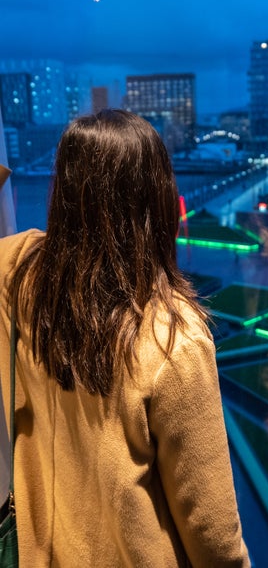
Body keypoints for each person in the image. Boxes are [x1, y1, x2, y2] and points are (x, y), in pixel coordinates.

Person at [0, 110, 250, 566]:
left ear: (65, 192)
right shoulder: (174, 339)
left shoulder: (20, 276)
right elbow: (212, 532)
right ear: (156, 195)